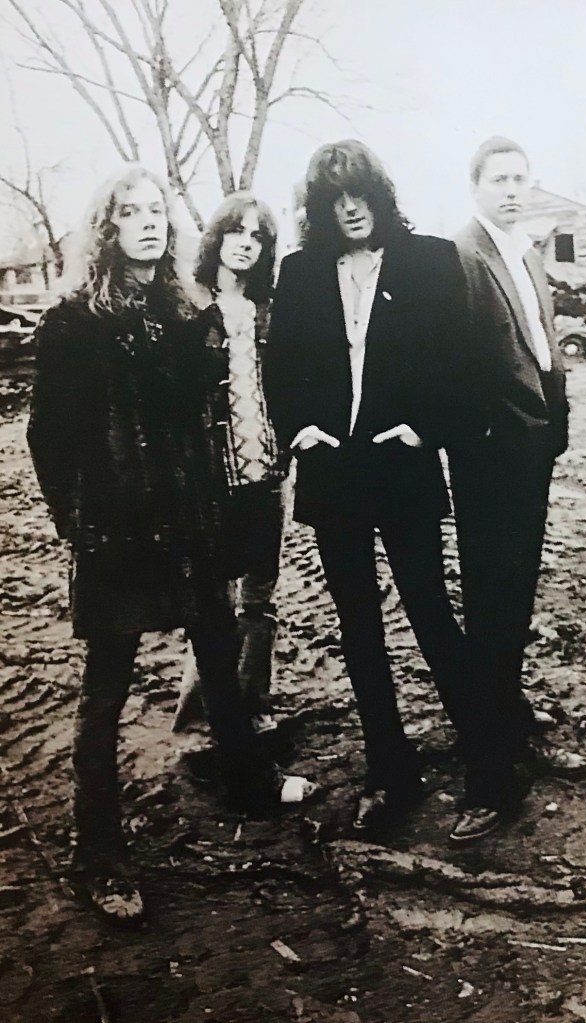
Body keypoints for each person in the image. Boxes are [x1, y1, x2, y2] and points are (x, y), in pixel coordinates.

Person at [27, 166, 314, 924]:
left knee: (219, 657)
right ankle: (99, 851)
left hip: (190, 521)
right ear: (108, 227)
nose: (149, 222)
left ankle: (247, 780)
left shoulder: (184, 310)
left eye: (157, 210)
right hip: (117, 531)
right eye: (131, 212)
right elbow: (48, 439)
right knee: (106, 688)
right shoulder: (74, 321)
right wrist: (79, 524)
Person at [265, 140, 482, 835]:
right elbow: (280, 364)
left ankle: (489, 762)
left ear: (380, 194)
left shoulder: (430, 260)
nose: (350, 207)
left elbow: (462, 359)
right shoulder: (300, 272)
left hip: (402, 465)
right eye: (335, 198)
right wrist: (299, 428)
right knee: (358, 625)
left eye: (359, 192)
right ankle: (390, 771)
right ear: (320, 208)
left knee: (429, 610)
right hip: (334, 472)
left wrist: (424, 428)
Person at [447, 137, 570, 843]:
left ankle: (511, 724)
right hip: (490, 458)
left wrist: (555, 426)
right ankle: (487, 773)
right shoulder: (462, 255)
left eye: (521, 178)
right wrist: (483, 434)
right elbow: (454, 362)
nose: (513, 189)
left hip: (534, 449)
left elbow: (544, 349)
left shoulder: (525, 252)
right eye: (499, 179)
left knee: (516, 595)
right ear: (475, 186)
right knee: (490, 604)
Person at [173, 193, 287, 736]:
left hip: (265, 473)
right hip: (210, 478)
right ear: (216, 237)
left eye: (258, 236)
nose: (246, 244)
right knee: (213, 604)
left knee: (259, 597)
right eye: (237, 231)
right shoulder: (189, 308)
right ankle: (203, 719)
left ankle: (253, 705)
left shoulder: (270, 310)